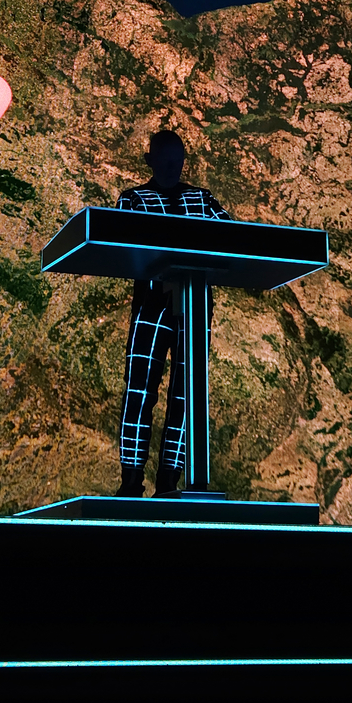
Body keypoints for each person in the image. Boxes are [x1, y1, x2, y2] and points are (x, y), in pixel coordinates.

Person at [113, 129, 232, 498]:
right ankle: (131, 480)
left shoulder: (203, 199)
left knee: (186, 397)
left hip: (194, 310)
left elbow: (233, 238)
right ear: (149, 161)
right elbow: (117, 242)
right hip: (151, 305)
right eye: (165, 161)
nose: (171, 168)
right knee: (139, 391)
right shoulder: (133, 200)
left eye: (177, 161)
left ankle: (170, 481)